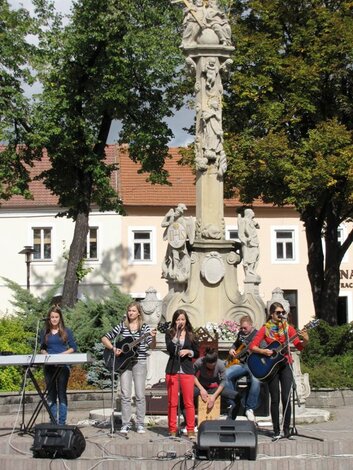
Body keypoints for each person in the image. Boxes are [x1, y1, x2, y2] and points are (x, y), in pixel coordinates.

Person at [249, 302, 309, 440]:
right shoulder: (265, 329)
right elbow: (252, 346)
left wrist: (305, 340)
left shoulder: (288, 329)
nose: (281, 315)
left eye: (283, 312)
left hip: (285, 364)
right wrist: (263, 351)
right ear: (271, 314)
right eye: (278, 313)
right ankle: (276, 430)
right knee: (275, 399)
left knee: (287, 397)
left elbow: (299, 347)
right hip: (271, 367)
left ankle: (286, 429)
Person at [101, 301, 157, 434]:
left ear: (139, 313)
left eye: (133, 311)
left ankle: (140, 424)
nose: (130, 313)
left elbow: (152, 346)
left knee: (139, 395)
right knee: (125, 394)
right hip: (124, 363)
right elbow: (105, 338)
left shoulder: (144, 328)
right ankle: (125, 423)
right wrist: (114, 348)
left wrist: (153, 337)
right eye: (129, 311)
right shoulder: (122, 326)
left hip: (140, 362)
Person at [40, 305, 77, 425]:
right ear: (49, 318)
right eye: (52, 317)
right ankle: (53, 421)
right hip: (49, 366)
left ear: (60, 318)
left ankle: (61, 422)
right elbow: (42, 348)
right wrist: (45, 354)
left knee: (61, 393)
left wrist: (62, 355)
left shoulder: (66, 331)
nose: (54, 319)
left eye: (56, 317)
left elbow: (73, 348)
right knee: (51, 395)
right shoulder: (44, 332)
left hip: (62, 366)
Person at [165, 309, 199, 438]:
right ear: (174, 321)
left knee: (188, 401)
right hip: (172, 370)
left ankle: (190, 429)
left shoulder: (191, 334)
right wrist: (176, 336)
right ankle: (172, 429)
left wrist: (188, 352)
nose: (180, 322)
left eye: (182, 319)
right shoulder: (170, 333)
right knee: (172, 402)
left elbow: (197, 352)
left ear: (186, 321)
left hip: (187, 370)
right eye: (178, 319)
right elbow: (170, 349)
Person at [225, 315, 261, 422]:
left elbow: (263, 348)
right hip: (241, 363)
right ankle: (233, 403)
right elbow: (236, 344)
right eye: (242, 328)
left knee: (256, 380)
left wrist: (255, 350)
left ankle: (250, 408)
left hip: (254, 364)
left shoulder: (258, 335)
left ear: (251, 325)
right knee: (225, 374)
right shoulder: (241, 334)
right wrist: (232, 349)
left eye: (245, 328)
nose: (243, 330)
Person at [193, 348, 240, 420]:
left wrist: (214, 396)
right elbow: (192, 375)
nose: (211, 367)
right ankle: (189, 421)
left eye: (213, 365)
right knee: (185, 395)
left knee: (237, 396)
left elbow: (223, 381)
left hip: (215, 388)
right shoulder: (199, 362)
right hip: (201, 388)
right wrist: (201, 389)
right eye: (209, 365)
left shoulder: (220, 364)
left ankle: (230, 420)